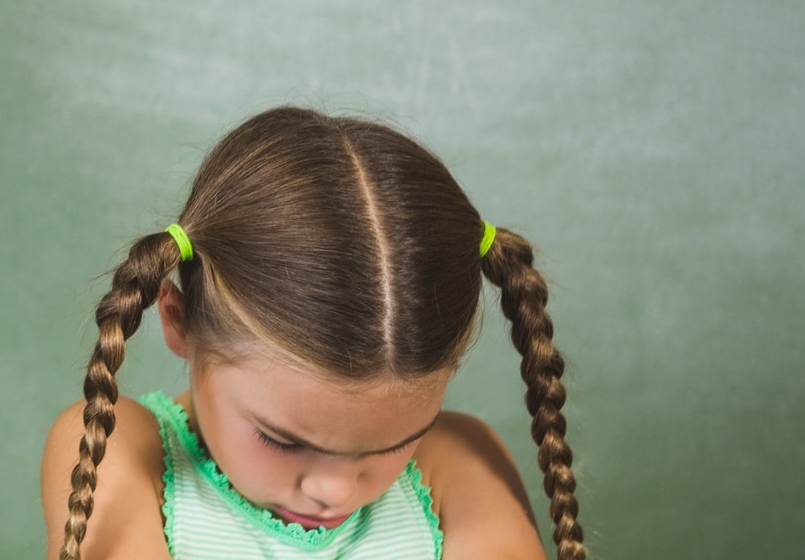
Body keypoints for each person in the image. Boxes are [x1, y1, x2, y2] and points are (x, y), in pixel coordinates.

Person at [39, 107, 584, 560]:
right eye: (282, 440)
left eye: (395, 442)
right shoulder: (120, 447)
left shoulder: (457, 463)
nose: (335, 491)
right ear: (177, 320)